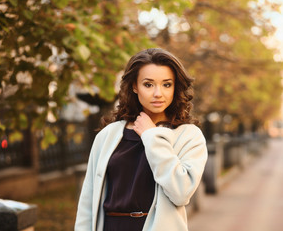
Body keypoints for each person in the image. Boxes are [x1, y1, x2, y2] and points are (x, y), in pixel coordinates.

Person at [74, 48, 208, 231]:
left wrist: (151, 136)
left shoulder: (188, 136)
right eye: (148, 84)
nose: (158, 93)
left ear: (176, 87)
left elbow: (181, 193)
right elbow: (87, 202)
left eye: (167, 84)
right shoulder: (108, 135)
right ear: (134, 86)